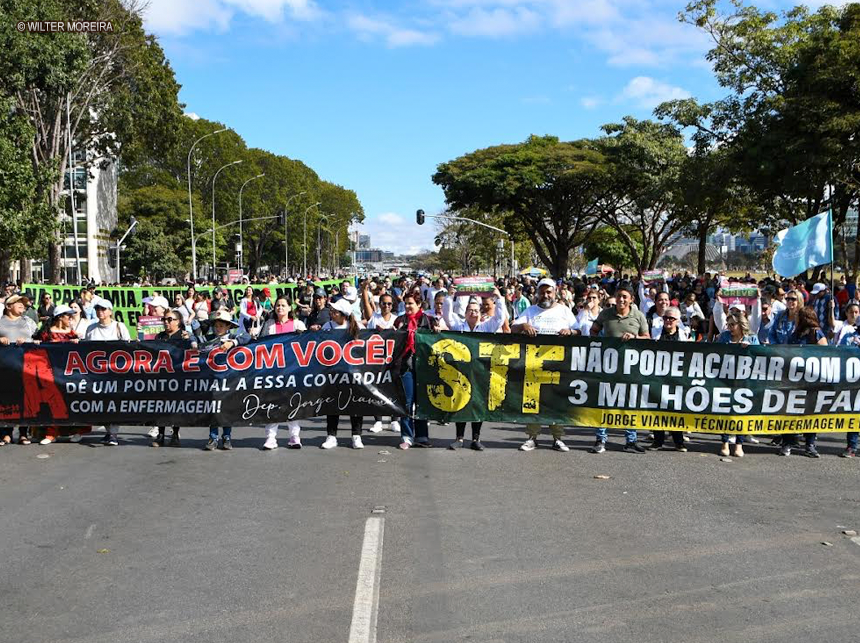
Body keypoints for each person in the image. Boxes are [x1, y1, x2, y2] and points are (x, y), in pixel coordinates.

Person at [512, 278, 578, 452]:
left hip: (558, 366)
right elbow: (513, 328)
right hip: (534, 365)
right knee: (533, 401)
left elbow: (579, 330)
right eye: (542, 292)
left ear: (555, 293)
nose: (545, 295)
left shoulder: (564, 311)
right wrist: (524, 325)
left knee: (556, 401)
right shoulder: (530, 311)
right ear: (537, 293)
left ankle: (558, 438)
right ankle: (532, 438)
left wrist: (570, 331)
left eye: (549, 292)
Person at [589, 283, 650, 453]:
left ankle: (631, 441)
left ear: (631, 299)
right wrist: (602, 344)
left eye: (625, 297)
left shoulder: (638, 316)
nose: (621, 299)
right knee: (604, 402)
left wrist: (635, 337)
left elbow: (647, 337)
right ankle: (600, 439)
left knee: (630, 403)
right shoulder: (606, 314)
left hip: (631, 368)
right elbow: (593, 331)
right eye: (619, 296)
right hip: (608, 366)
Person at [780, 307, 828, 458]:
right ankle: (787, 442)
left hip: (812, 380)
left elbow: (827, 353)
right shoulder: (795, 335)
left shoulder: (816, 333)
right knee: (790, 411)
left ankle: (810, 444)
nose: (795, 319)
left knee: (811, 412)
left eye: (797, 317)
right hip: (795, 379)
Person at [259, 296, 305, 449]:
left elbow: (307, 345)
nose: (280, 308)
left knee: (293, 402)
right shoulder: (269, 325)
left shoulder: (298, 324)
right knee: (272, 403)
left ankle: (294, 436)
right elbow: (261, 344)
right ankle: (271, 437)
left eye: (283, 305)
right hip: (273, 370)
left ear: (290, 308)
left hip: (293, 370)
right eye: (278, 305)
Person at [320, 298, 367, 449]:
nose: (332, 313)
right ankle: (331, 436)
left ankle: (356, 435)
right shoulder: (327, 326)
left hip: (353, 372)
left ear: (343, 314)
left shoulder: (356, 327)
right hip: (333, 371)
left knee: (355, 404)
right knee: (332, 403)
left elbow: (367, 343)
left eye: (335, 311)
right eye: (332, 310)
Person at [393, 291, 437, 449]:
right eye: (405, 303)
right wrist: (396, 331)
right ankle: (406, 436)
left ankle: (422, 436)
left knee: (422, 402)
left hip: (424, 367)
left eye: (410, 303)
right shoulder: (400, 320)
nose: (407, 306)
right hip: (406, 367)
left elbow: (439, 338)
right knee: (406, 402)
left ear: (419, 305)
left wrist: (437, 331)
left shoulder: (429, 320)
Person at [83, 299, 130, 446]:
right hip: (96, 373)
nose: (100, 312)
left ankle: (113, 434)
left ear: (110, 311)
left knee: (113, 403)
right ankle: (109, 432)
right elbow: (85, 349)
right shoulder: (91, 328)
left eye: (103, 309)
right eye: (97, 309)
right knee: (101, 403)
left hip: (115, 373)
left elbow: (128, 348)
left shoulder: (119, 327)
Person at [201, 309, 249, 451]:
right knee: (213, 409)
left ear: (228, 326)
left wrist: (232, 342)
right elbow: (195, 338)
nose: (218, 328)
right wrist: (191, 339)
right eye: (216, 326)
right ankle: (213, 437)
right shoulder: (209, 338)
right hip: (212, 379)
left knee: (227, 408)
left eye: (221, 326)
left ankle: (227, 436)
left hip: (228, 379)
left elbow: (247, 337)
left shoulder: (233, 337)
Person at [715, 311, 759, 457]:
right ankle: (725, 442)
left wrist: (750, 349)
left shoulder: (752, 338)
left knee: (742, 410)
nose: (729, 328)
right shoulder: (724, 336)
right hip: (726, 379)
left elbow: (760, 357)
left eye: (732, 325)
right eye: (728, 325)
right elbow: (715, 352)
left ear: (741, 324)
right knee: (725, 411)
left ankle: (739, 444)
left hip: (744, 380)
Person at [648, 306, 690, 451]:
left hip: (676, 378)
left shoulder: (684, 335)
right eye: (665, 318)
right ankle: (657, 441)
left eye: (671, 318)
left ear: (677, 321)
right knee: (657, 408)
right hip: (658, 377)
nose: (668, 321)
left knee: (675, 409)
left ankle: (678, 441)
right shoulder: (655, 332)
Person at [0, 294, 39, 445]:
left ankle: (23, 433)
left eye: (23, 303)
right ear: (9, 306)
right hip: (5, 366)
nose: (22, 305)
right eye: (18, 303)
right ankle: (6, 433)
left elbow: (38, 339)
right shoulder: (1, 322)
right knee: (7, 399)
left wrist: (27, 341)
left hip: (25, 365)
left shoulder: (28, 322)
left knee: (25, 399)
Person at [152, 310, 193, 448]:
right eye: (164, 319)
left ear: (178, 322)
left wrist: (189, 341)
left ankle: (175, 434)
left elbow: (195, 347)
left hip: (178, 375)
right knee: (161, 406)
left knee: (176, 406)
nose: (166, 322)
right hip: (162, 375)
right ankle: (161, 434)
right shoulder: (160, 336)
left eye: (170, 319)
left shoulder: (184, 335)